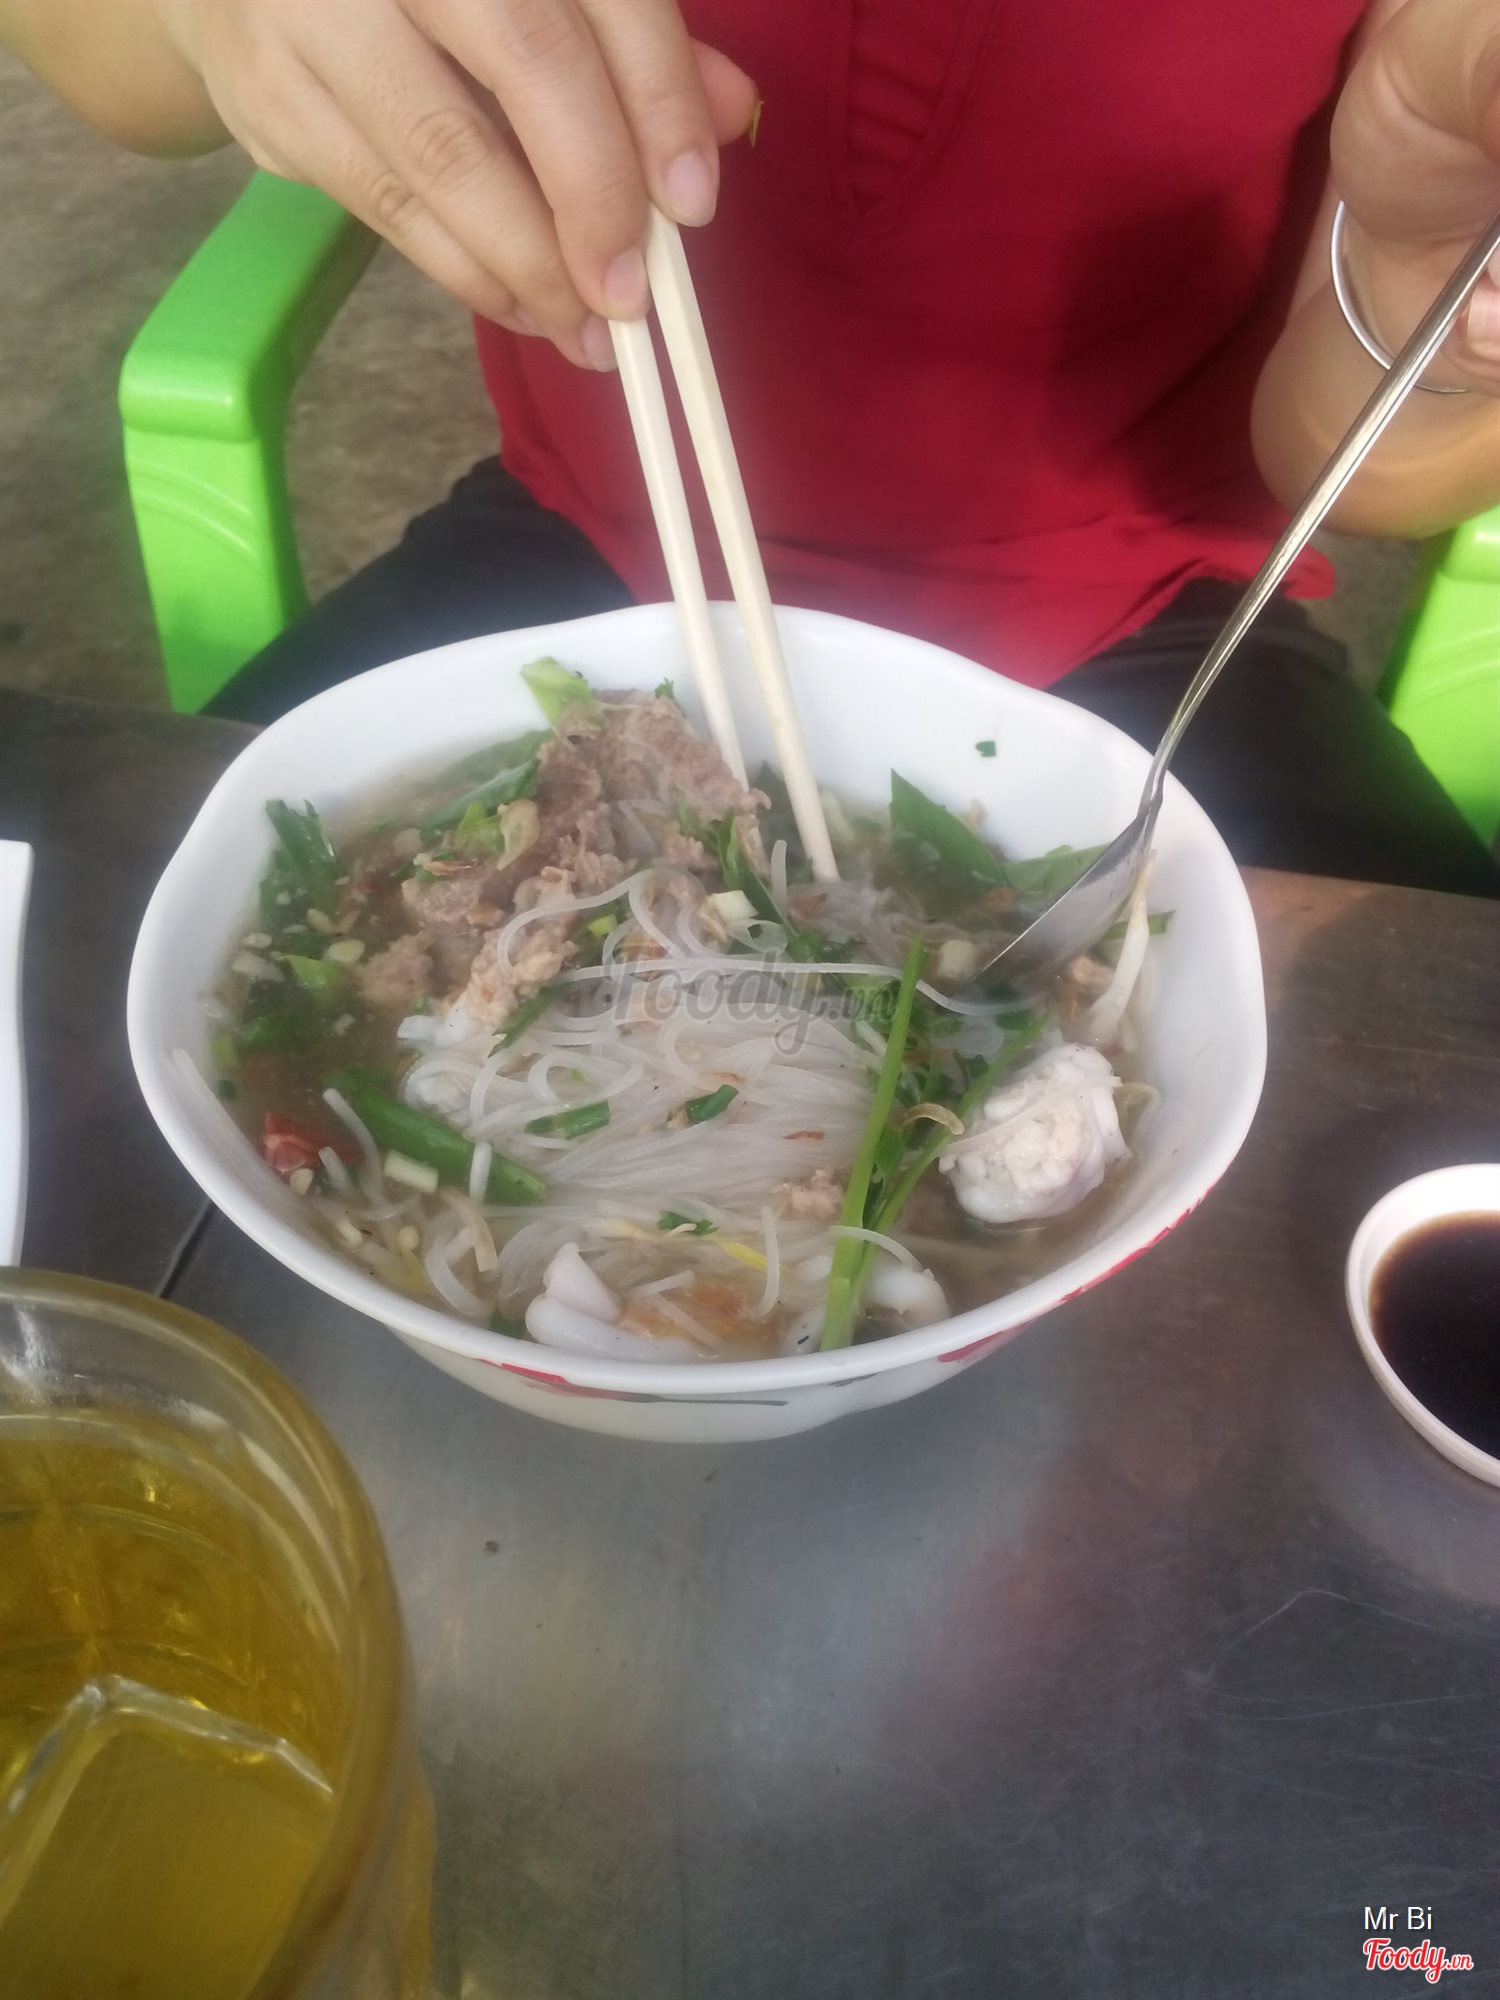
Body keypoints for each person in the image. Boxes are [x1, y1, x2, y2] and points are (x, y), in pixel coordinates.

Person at [5, 0, 1499, 893]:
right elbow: (101, 62)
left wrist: (1421, 271)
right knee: (84, 959)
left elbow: (1365, 474)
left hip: (1160, 628)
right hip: (584, 548)